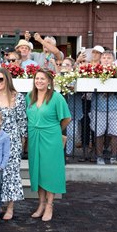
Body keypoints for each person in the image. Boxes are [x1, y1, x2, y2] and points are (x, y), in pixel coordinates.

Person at [26, 69, 71, 222]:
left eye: (42, 79)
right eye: (37, 78)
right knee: (37, 171)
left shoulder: (57, 98)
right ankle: (40, 204)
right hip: (34, 137)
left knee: (49, 171)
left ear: (49, 81)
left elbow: (66, 118)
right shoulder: (29, 96)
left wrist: (55, 130)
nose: (39, 81)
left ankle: (50, 205)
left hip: (50, 137)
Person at [0, 67, 26, 220]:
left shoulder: (17, 97)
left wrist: (23, 141)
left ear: (7, 79)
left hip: (12, 141)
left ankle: (10, 207)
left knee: (11, 174)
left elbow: (22, 121)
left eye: (1, 79)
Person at [91, 50, 117, 165]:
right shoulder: (93, 72)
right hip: (98, 107)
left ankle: (113, 157)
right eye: (104, 57)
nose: (106, 59)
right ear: (100, 59)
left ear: (113, 60)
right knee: (98, 133)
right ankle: (99, 157)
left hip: (116, 108)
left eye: (109, 58)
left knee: (116, 133)